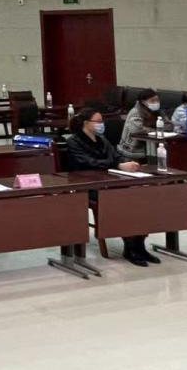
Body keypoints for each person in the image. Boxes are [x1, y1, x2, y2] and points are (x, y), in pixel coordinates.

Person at [65, 107, 157, 267]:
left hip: (110, 182)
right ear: (86, 123)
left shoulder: (101, 139)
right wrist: (117, 165)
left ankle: (140, 245)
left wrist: (126, 163)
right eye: (98, 121)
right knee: (122, 201)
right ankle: (129, 247)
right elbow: (88, 163)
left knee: (139, 197)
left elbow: (115, 155)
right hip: (89, 186)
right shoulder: (74, 141)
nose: (101, 124)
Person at [117, 88, 164, 160]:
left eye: (157, 100)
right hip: (132, 149)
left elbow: (169, 125)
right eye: (152, 101)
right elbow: (136, 130)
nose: (156, 103)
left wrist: (152, 129)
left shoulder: (158, 111)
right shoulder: (135, 112)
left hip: (152, 146)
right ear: (143, 102)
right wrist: (155, 130)